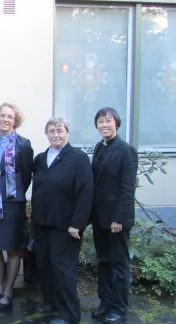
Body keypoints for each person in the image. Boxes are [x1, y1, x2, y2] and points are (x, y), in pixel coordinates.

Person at [31, 117, 94, 324]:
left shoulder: (77, 158)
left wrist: (78, 223)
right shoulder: (40, 159)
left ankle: (70, 315)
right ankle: (52, 303)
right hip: (42, 222)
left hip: (66, 225)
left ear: (67, 132)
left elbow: (86, 193)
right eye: (51, 131)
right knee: (45, 264)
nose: (56, 135)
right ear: (46, 134)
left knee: (63, 269)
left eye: (60, 131)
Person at [0, 103, 33, 309]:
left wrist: (12, 192)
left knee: (13, 248)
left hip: (13, 203)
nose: (5, 119)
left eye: (9, 117)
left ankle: (9, 289)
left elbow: (27, 175)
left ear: (15, 120)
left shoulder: (23, 144)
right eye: (2, 116)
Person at [90, 107, 138, 324]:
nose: (104, 125)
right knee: (104, 262)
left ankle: (119, 308)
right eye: (101, 122)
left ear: (116, 124)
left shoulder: (126, 150)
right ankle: (105, 303)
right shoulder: (100, 148)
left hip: (117, 220)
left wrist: (119, 219)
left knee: (119, 265)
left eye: (108, 121)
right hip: (100, 218)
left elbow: (128, 189)